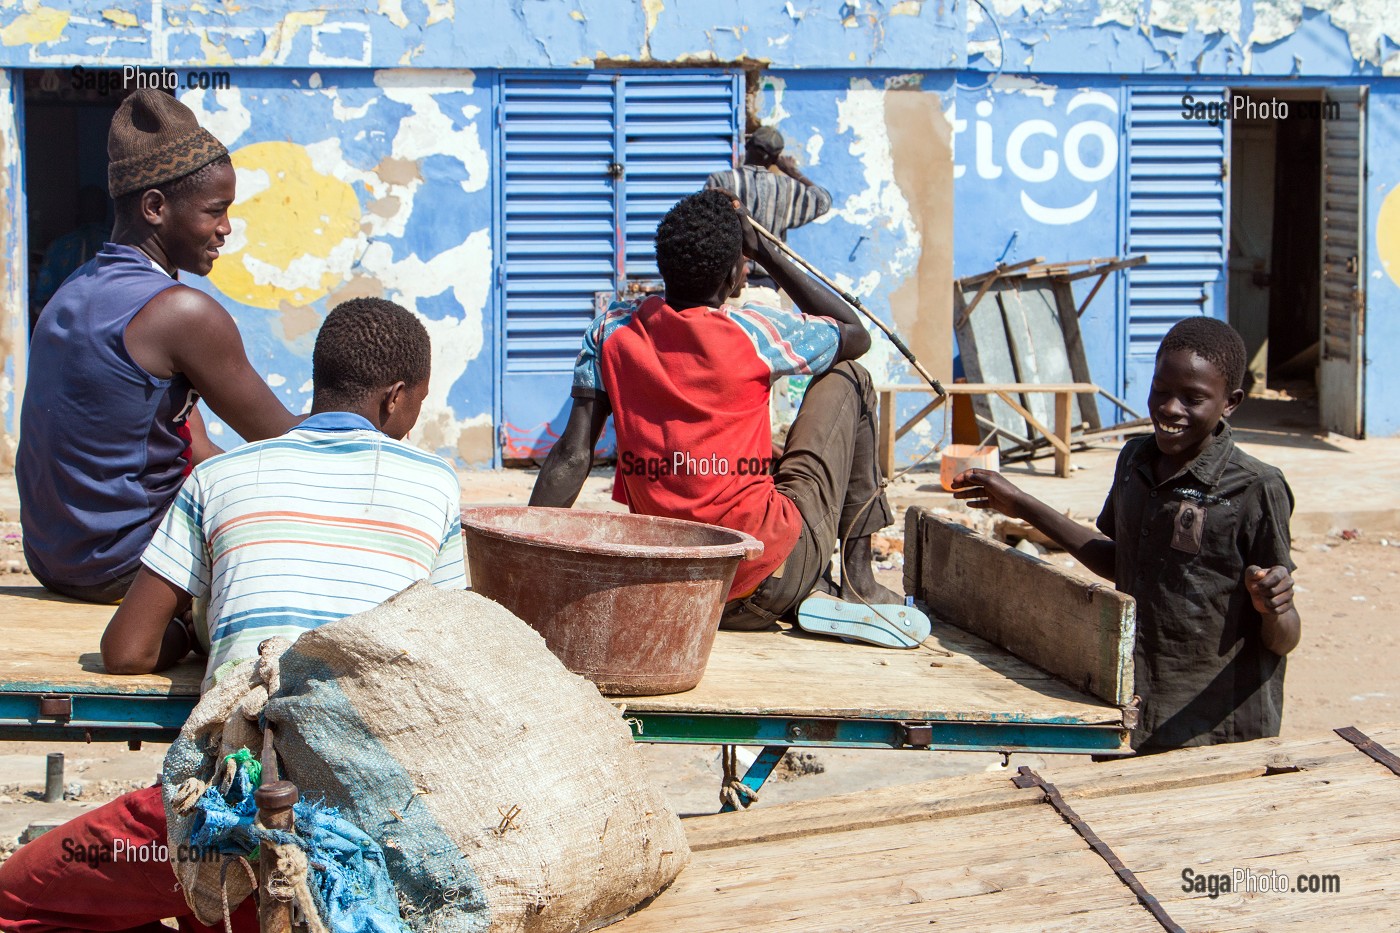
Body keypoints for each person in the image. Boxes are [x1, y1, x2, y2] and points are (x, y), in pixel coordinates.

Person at [0, 297, 466, 932]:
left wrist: (197, 636)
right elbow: (447, 645)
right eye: (417, 404)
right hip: (373, 828)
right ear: (395, 398)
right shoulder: (436, 485)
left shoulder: (219, 476)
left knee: (21, 902)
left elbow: (127, 651)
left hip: (224, 815)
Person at [530, 188, 900, 631]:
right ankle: (859, 582)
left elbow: (572, 456)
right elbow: (855, 334)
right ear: (732, 274)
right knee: (851, 376)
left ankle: (816, 583)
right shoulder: (756, 331)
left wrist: (524, 557)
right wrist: (766, 251)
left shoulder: (610, 331)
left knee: (768, 464)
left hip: (674, 589)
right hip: (765, 581)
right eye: (742, 263)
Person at [951, 317, 1300, 753]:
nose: (1169, 409)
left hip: (1213, 729)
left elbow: (1283, 638)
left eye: (1192, 399)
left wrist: (1275, 608)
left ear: (1230, 403)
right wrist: (1020, 503)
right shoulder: (1136, 461)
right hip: (1132, 704)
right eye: (1160, 390)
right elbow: (1122, 563)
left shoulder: (1255, 488)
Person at [17, 88, 300, 605]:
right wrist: (372, 423)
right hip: (127, 564)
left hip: (55, 561)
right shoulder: (181, 312)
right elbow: (286, 440)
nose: (226, 229)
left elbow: (196, 447)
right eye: (215, 211)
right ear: (155, 207)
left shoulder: (73, 291)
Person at [705, 126, 831, 291]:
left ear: (747, 145)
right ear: (775, 158)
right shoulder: (787, 188)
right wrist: (792, 171)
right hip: (766, 285)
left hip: (726, 283)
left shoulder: (721, 180)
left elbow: (706, 226)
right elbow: (823, 201)